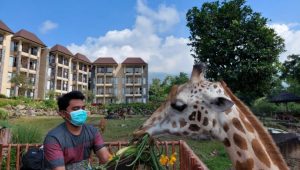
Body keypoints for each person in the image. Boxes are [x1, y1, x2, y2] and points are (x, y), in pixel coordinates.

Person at [43, 91, 110, 170]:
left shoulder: (92, 131)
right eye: (76, 109)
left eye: (83, 108)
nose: (81, 112)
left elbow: (105, 158)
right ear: (63, 113)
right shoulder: (54, 139)